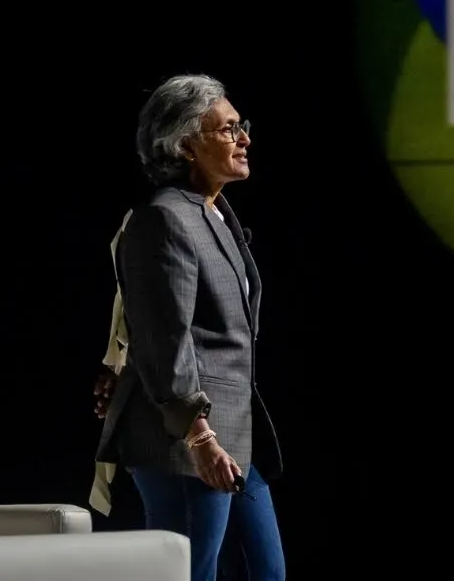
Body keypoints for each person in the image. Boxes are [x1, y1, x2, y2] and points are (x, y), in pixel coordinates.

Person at [94, 74, 285, 581]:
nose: (244, 138)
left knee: (266, 571)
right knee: (190, 574)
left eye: (242, 126)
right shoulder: (164, 219)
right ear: (184, 145)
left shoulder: (214, 212)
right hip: (182, 439)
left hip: (234, 430)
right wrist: (200, 438)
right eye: (227, 129)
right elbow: (164, 339)